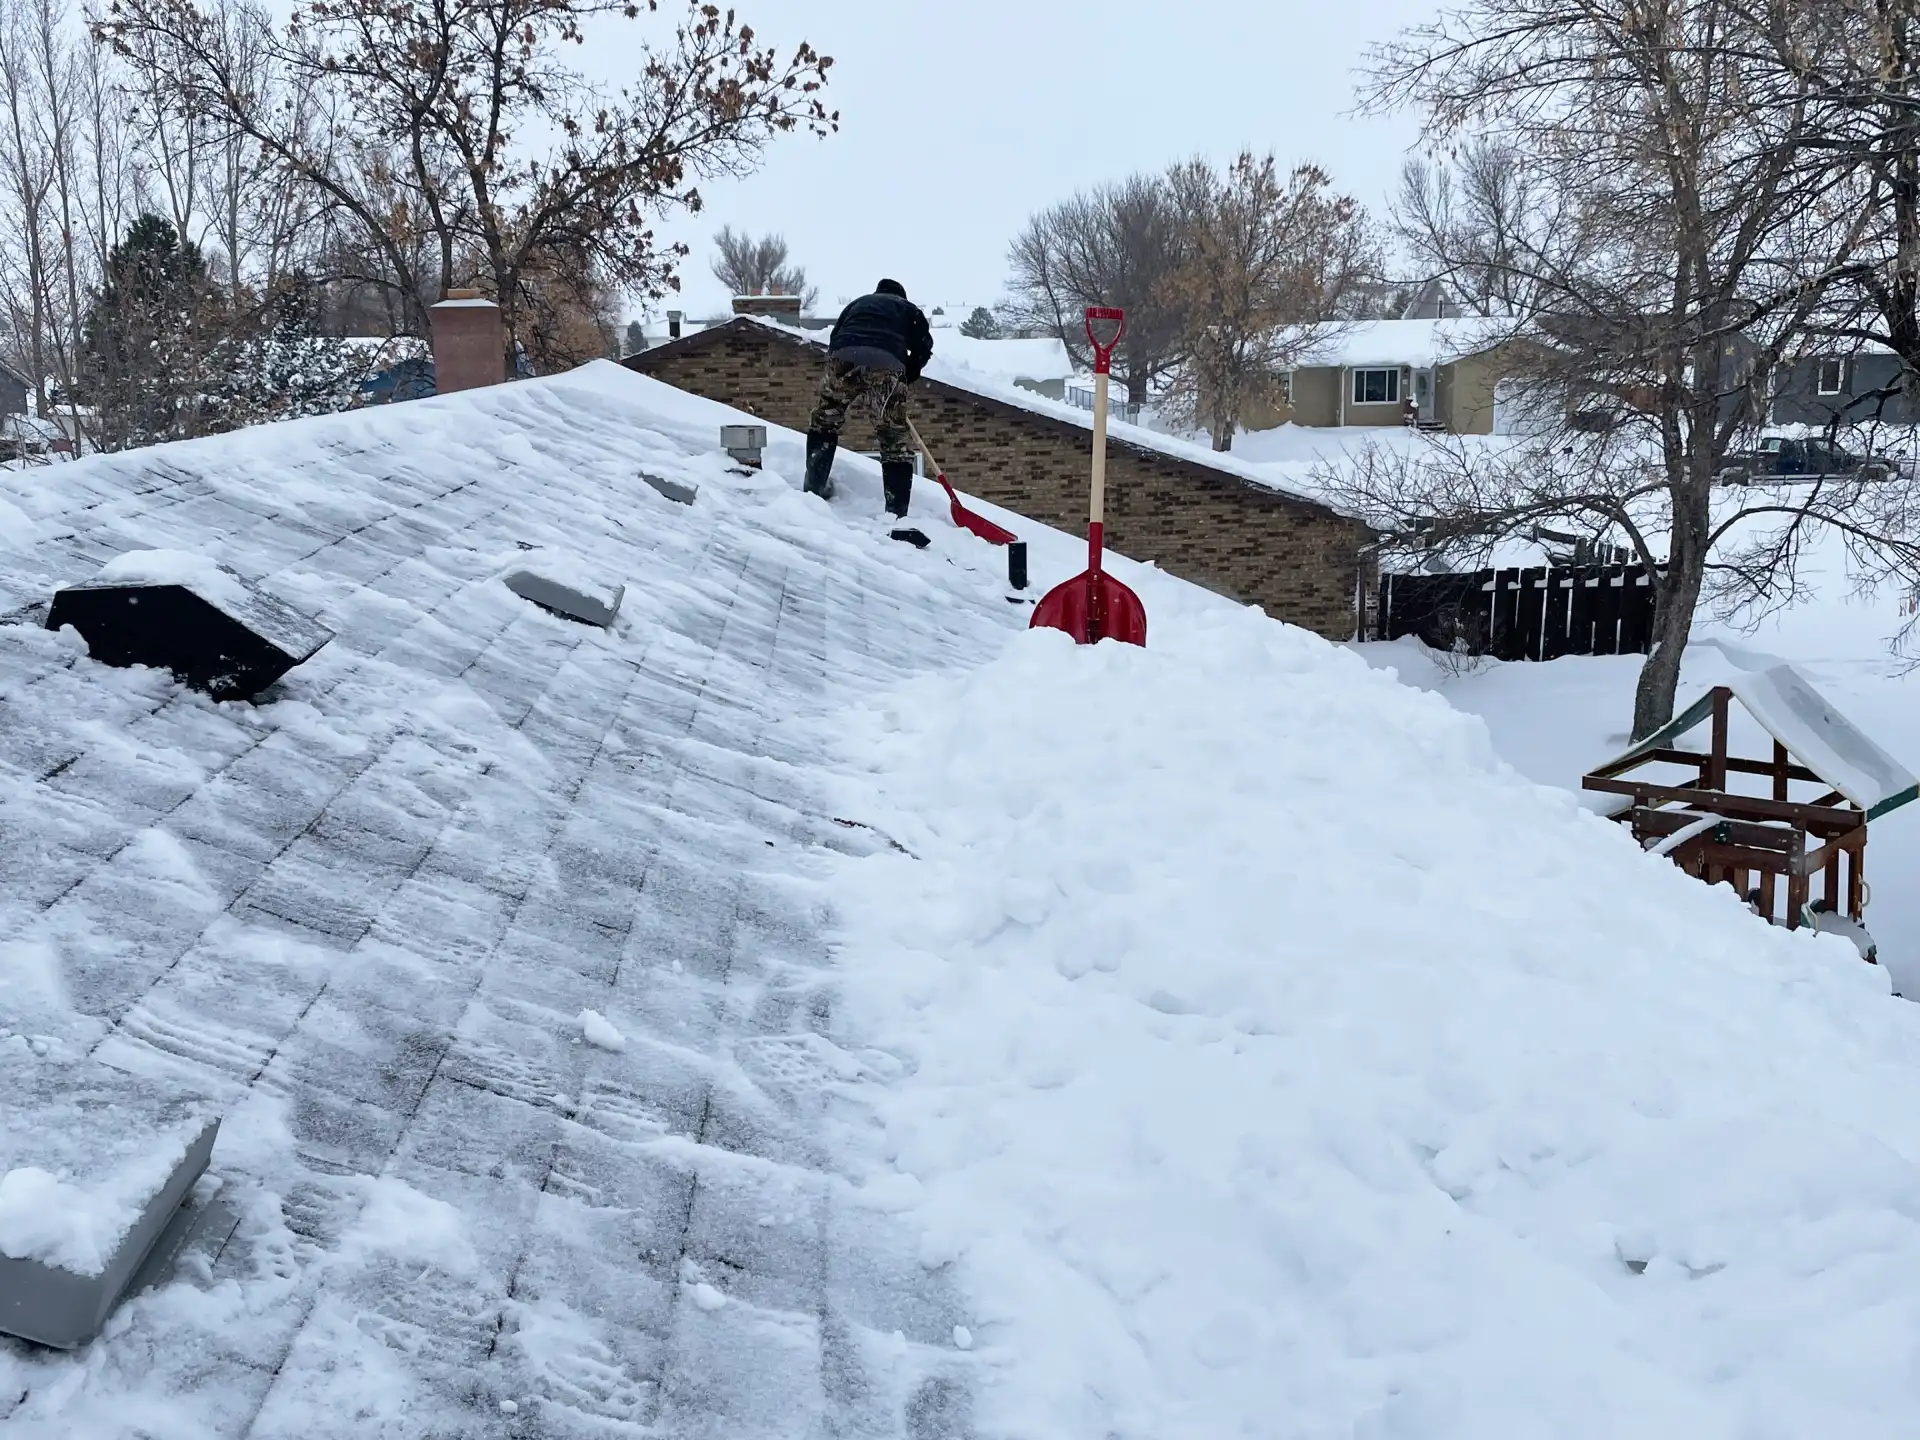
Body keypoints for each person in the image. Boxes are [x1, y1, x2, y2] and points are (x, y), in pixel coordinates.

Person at [805, 279, 934, 522]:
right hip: (885, 360)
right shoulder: (907, 308)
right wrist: (909, 371)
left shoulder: (858, 304)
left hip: (843, 355)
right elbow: (924, 346)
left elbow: (836, 336)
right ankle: (896, 514)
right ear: (901, 295)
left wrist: (839, 369)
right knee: (892, 435)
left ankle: (814, 487)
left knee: (826, 418)